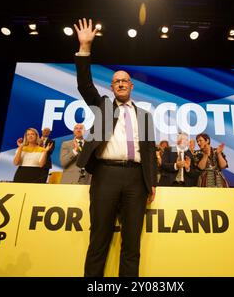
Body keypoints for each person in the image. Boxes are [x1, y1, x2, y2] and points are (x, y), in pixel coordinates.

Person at [74, 18, 156, 277]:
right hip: (106, 175)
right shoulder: (104, 107)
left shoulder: (145, 115)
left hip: (136, 180)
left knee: (132, 245)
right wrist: (85, 47)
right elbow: (84, 85)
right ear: (111, 87)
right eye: (116, 81)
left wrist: (150, 182)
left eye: (125, 81)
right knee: (98, 241)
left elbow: (150, 152)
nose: (120, 83)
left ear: (131, 87)